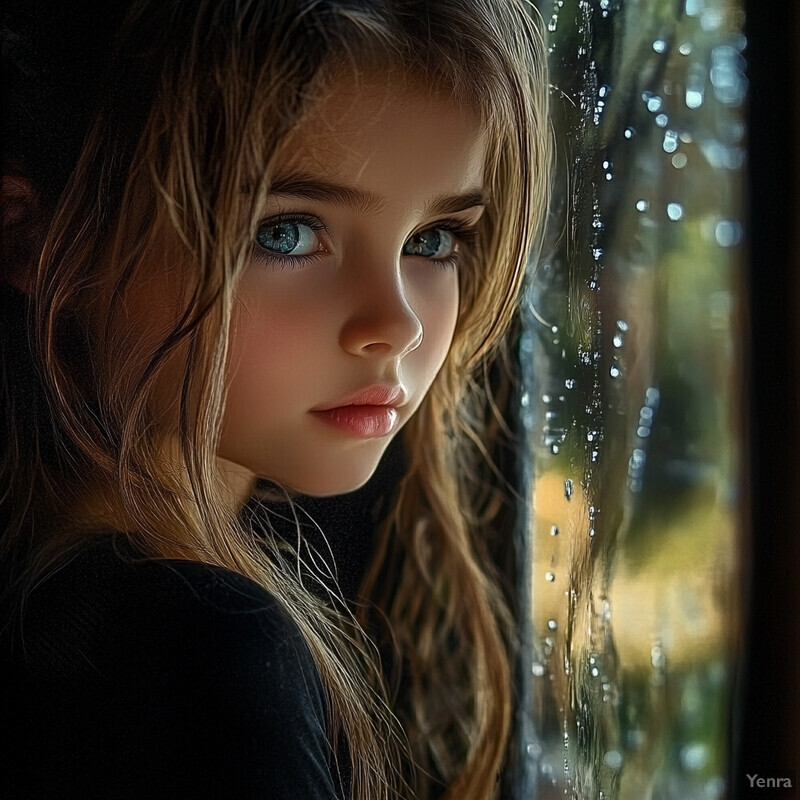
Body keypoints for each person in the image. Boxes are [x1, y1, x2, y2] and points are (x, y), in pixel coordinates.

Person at [0, 1, 551, 797]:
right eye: (286, 233)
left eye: (433, 240)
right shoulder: (194, 647)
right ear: (31, 237)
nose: (393, 324)